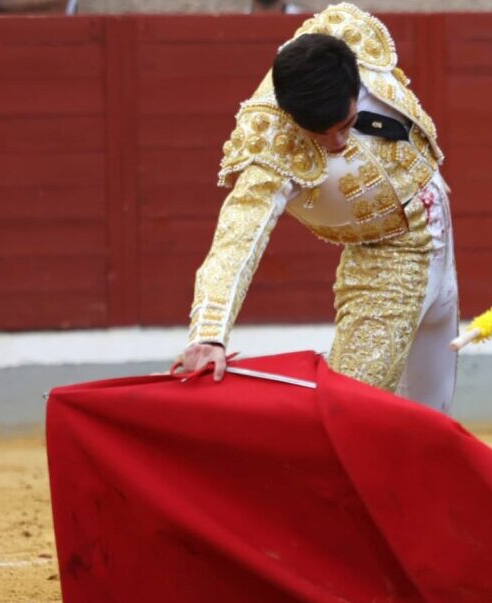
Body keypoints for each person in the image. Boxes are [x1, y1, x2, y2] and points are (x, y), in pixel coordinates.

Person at [173, 2, 459, 414]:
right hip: (384, 258)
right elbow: (236, 238)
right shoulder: (270, 144)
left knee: (434, 402)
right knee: (349, 409)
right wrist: (208, 334)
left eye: (343, 125)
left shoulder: (348, 35)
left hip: (440, 226)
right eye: (318, 134)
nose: (336, 143)